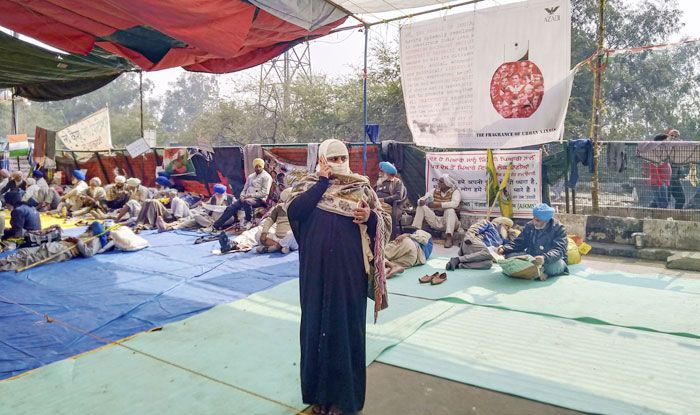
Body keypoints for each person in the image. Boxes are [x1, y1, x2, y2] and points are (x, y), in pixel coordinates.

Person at [287, 138, 391, 415]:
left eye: (341, 157)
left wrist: (369, 217)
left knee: (345, 333)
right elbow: (295, 213)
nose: (337, 163)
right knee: (315, 329)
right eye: (331, 158)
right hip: (315, 275)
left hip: (349, 276)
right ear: (320, 160)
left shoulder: (361, 187)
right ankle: (319, 398)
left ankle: (345, 401)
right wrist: (322, 183)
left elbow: (384, 225)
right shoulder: (308, 185)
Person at [0, 221, 113, 272]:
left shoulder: (96, 240)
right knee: (25, 251)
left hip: (64, 251)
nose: (88, 228)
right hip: (58, 245)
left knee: (33, 258)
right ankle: (3, 261)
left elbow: (88, 253)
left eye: (91, 227)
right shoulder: (88, 233)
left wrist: (77, 241)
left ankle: (3, 267)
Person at [499, 203, 568, 280]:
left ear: (546, 221)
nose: (534, 222)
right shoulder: (530, 225)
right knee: (510, 256)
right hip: (533, 258)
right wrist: (504, 248)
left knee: (552, 267)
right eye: (534, 218)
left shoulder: (559, 228)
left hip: (550, 260)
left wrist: (544, 258)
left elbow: (559, 250)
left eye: (538, 220)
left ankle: (534, 272)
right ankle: (537, 272)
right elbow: (520, 242)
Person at [213, 158, 272, 230]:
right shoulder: (251, 176)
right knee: (231, 207)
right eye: (256, 166)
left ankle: (249, 221)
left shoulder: (267, 177)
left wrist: (250, 195)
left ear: (263, 166)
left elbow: (264, 193)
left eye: (260, 166)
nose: (258, 168)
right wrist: (242, 195)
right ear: (254, 167)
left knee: (247, 202)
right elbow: (245, 188)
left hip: (259, 200)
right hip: (246, 198)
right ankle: (216, 225)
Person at [446, 217, 517, 271]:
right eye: (507, 226)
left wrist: (512, 232)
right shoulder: (489, 224)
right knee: (491, 253)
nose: (507, 229)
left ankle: (459, 264)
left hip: (481, 253)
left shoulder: (502, 240)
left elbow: (512, 244)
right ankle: (458, 259)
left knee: (488, 264)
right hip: (473, 242)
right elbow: (473, 229)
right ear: (501, 223)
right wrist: (469, 238)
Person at [157, 183, 235, 232]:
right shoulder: (214, 198)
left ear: (224, 192)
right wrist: (203, 205)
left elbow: (238, 210)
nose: (219, 196)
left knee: (196, 216)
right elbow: (207, 208)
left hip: (225, 219)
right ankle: (169, 227)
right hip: (210, 218)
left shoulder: (231, 198)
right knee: (193, 218)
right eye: (217, 194)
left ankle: (212, 226)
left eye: (220, 194)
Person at [411, 174, 461, 248]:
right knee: (421, 207)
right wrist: (421, 201)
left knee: (450, 210)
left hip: (450, 222)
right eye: (439, 181)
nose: (438, 183)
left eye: (441, 182)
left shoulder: (455, 192)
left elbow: (455, 204)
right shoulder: (435, 190)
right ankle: (416, 232)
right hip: (436, 220)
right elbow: (424, 198)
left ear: (447, 184)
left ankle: (449, 237)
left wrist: (439, 204)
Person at [257, 188, 297, 254]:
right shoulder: (278, 208)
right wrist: (264, 233)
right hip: (277, 238)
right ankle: (280, 246)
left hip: (292, 240)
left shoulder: (299, 208)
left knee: (292, 233)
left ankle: (276, 247)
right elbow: (270, 220)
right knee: (258, 234)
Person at [375, 161, 405, 239]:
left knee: (376, 212)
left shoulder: (397, 182)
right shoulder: (380, 182)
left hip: (390, 206)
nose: (379, 173)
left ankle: (382, 236)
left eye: (381, 171)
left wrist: (383, 200)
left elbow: (398, 196)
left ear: (387, 173)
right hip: (376, 203)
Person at [666, 128, 687, 209]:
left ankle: (676, 215)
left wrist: (682, 173)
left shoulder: (680, 148)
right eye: (672, 135)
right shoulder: (663, 146)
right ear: (668, 136)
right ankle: (652, 215)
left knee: (681, 199)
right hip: (665, 180)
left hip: (675, 180)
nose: (673, 137)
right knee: (664, 201)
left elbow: (681, 164)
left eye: (676, 136)